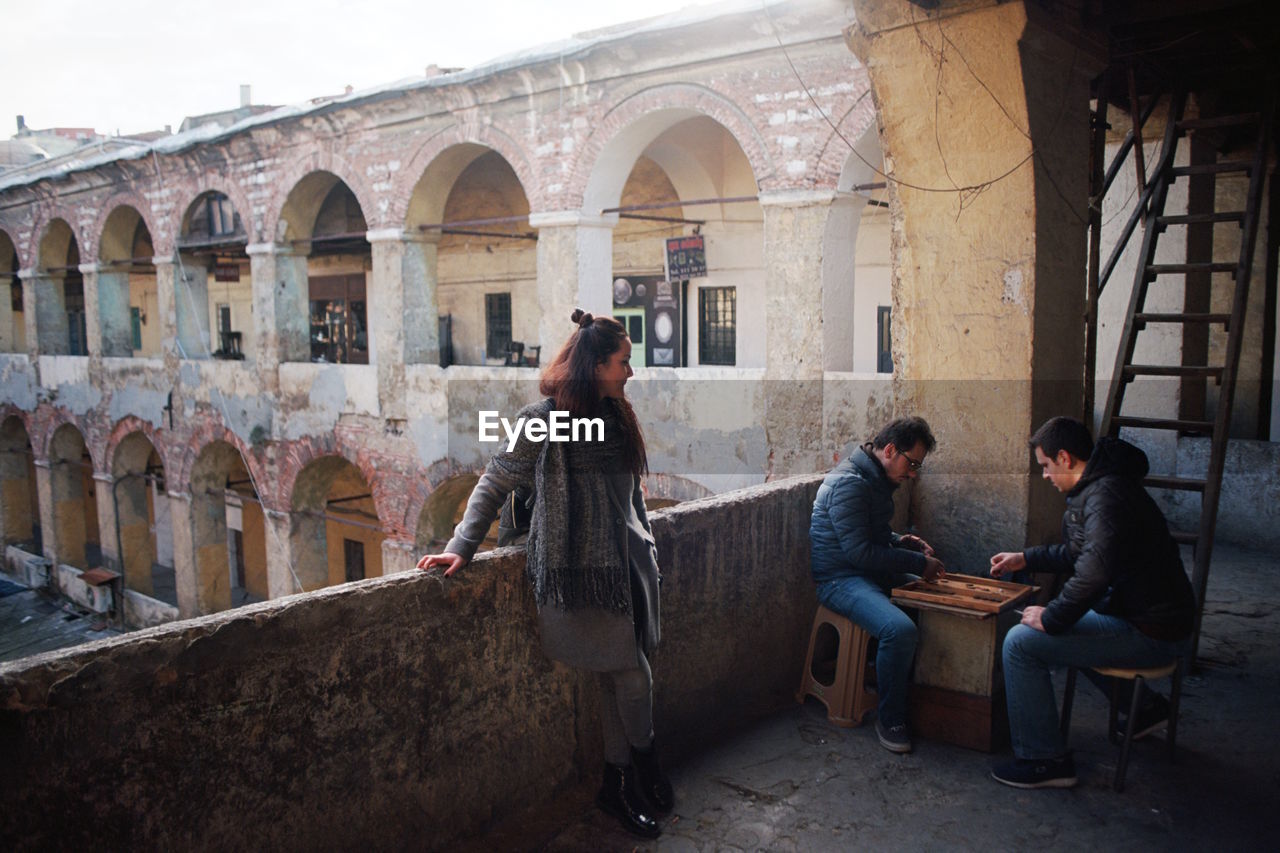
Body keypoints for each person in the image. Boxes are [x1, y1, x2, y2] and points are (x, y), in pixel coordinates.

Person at [417, 309, 671, 839]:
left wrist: (645, 541)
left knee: (616, 675)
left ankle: (617, 784)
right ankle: (642, 766)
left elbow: (632, 495)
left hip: (627, 568)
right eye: (624, 362)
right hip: (580, 572)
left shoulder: (617, 416)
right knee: (631, 673)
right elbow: (495, 480)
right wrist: (461, 547)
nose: (630, 373)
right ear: (597, 365)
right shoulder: (545, 418)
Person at [989, 416, 1196, 789]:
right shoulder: (1103, 487)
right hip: (1153, 619)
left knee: (1021, 643)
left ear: (1065, 458)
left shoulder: (1105, 497)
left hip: (1154, 631)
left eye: (1046, 466)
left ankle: (1044, 761)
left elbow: (1092, 575)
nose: (1046, 477)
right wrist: (1027, 558)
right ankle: (1144, 708)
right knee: (1072, 628)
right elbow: (1080, 553)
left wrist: (1051, 618)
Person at [809, 416, 944, 753]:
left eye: (917, 467)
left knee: (935, 597)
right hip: (840, 579)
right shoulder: (850, 484)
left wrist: (905, 542)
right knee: (899, 630)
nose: (912, 473)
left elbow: (874, 537)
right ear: (889, 450)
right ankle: (891, 718)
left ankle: (900, 685)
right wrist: (916, 563)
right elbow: (860, 553)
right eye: (911, 463)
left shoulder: (874, 479)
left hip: (864, 571)